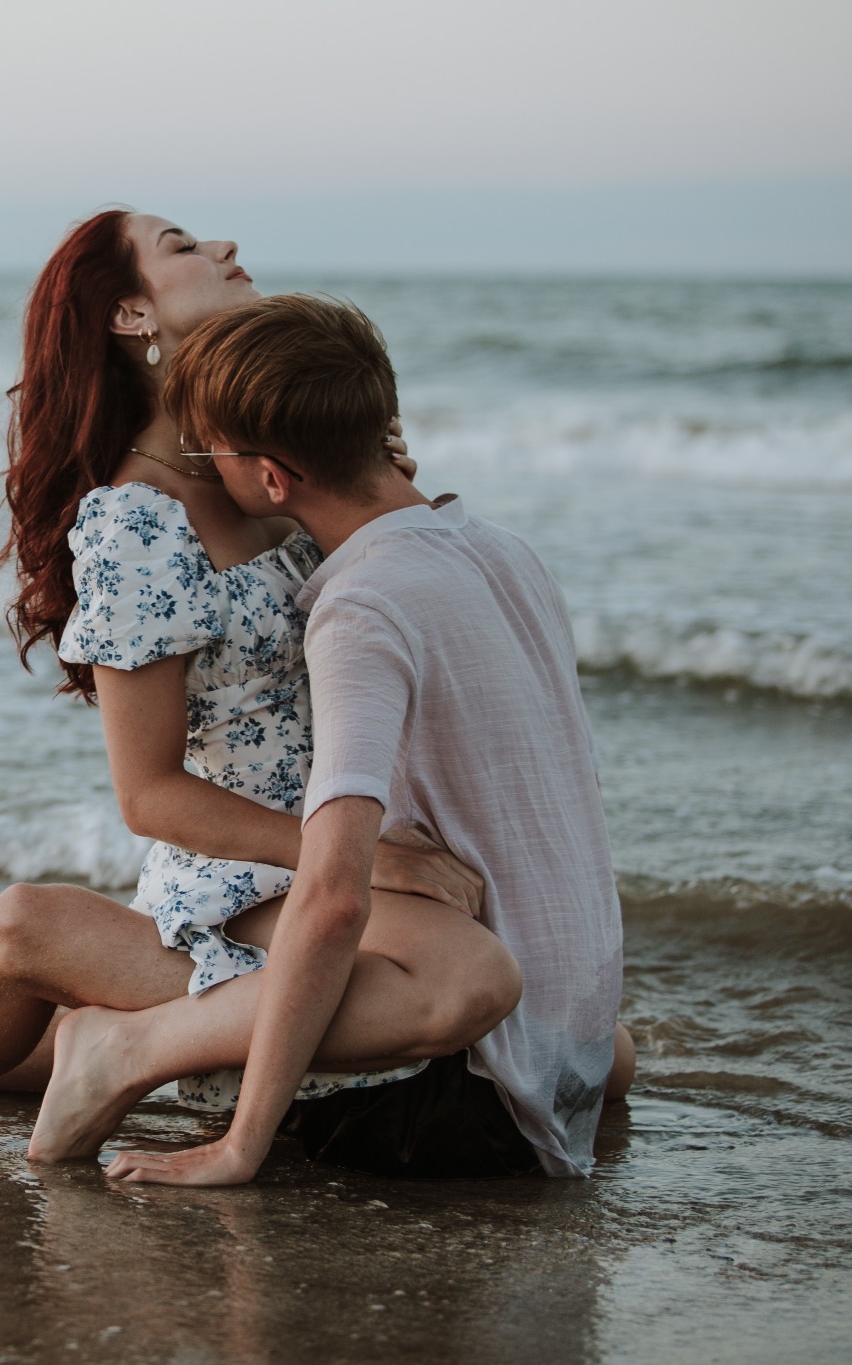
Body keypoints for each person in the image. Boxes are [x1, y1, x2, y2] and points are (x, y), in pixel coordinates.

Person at [0, 210, 521, 1112]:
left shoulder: (277, 459)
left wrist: (388, 491)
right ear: (129, 315)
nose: (226, 248)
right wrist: (361, 858)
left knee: (595, 1047)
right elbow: (146, 793)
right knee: (462, 987)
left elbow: (414, 621)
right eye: (184, 247)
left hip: (350, 855)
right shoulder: (138, 524)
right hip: (252, 883)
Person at [63, 295, 628, 1185]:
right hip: (579, 1055)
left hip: (472, 1102)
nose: (203, 476)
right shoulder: (505, 552)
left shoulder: (360, 610)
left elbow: (331, 897)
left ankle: (121, 1045)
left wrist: (241, 1145)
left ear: (273, 479)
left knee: (284, 976)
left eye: (215, 456)